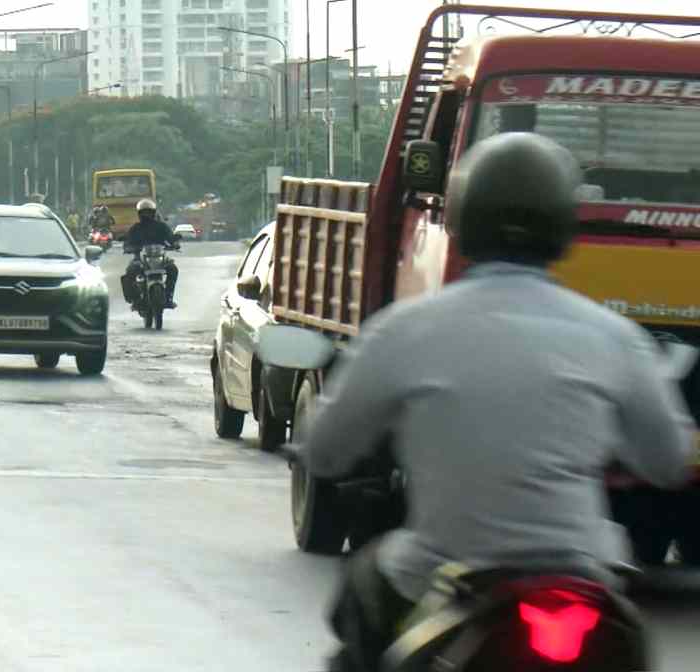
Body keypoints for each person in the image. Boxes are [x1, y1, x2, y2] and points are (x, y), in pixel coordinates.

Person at [294, 133, 696, 672]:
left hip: (441, 573)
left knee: (363, 582)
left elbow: (325, 452)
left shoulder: (405, 330)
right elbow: (669, 461)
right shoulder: (613, 335)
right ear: (564, 227)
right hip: (585, 576)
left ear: (462, 222)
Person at [121, 198, 180, 309]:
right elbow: (128, 240)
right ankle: (135, 299)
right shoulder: (135, 228)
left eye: (148, 212)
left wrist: (175, 243)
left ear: (153, 213)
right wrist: (128, 247)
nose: (146, 215)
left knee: (173, 269)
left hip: (159, 257)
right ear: (139, 214)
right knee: (130, 271)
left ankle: (168, 297)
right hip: (140, 258)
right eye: (144, 213)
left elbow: (170, 237)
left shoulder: (161, 226)